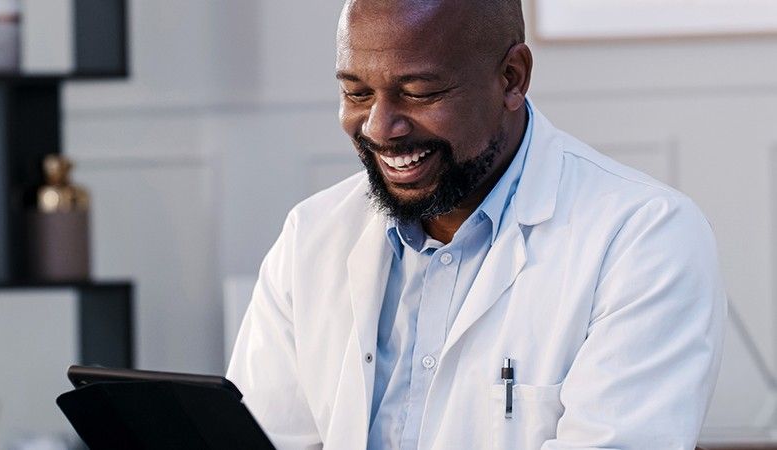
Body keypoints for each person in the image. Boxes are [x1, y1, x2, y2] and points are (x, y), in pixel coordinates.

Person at [224, 0, 727, 448]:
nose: (380, 127)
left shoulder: (645, 238)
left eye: (419, 92)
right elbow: (261, 436)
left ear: (511, 77)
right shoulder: (311, 234)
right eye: (357, 93)